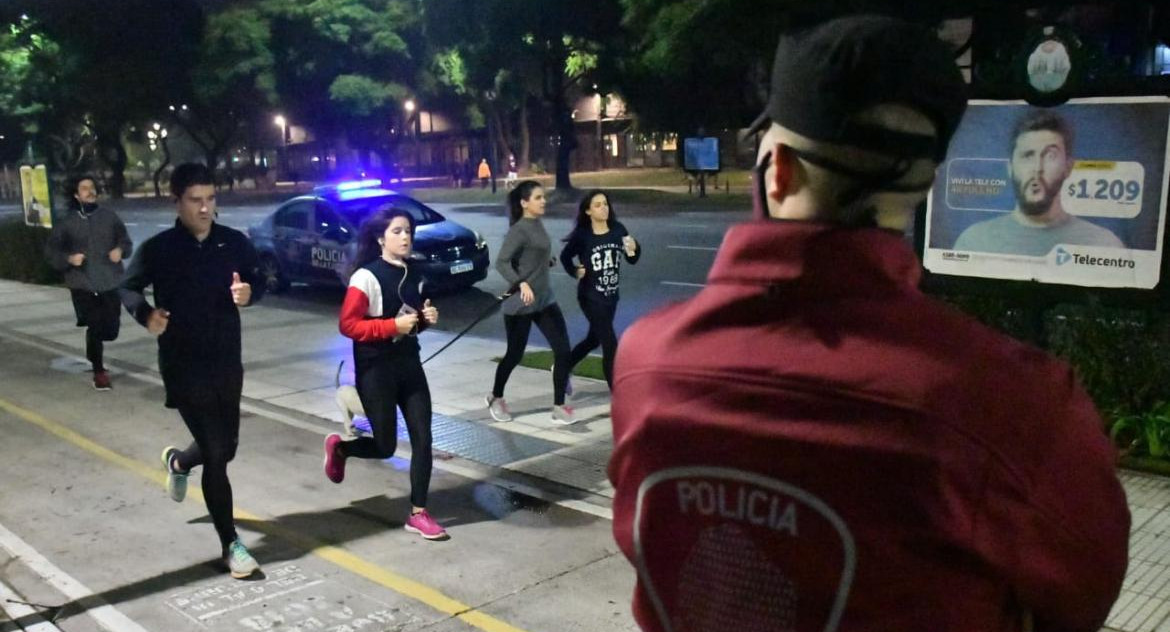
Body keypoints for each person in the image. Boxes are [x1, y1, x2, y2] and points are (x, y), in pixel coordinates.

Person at [609, 15, 1129, 632]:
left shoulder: (646, 363)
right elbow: (1081, 597)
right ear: (924, 184)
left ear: (775, 171)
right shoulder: (1016, 407)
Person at [120, 163, 265, 579]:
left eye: (211, 199)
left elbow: (260, 280)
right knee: (218, 453)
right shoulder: (160, 248)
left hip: (225, 360)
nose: (205, 209)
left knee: (227, 446)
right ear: (177, 202)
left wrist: (249, 293)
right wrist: (145, 313)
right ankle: (231, 544)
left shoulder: (233, 243)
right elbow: (127, 287)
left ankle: (180, 463)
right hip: (182, 364)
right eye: (195, 200)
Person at [324, 208, 447, 540]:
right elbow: (348, 325)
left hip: (409, 364)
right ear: (381, 238)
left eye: (408, 231)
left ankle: (418, 512)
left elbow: (410, 323)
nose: (405, 237)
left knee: (424, 439)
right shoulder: (365, 277)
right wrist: (393, 325)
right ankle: (341, 449)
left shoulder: (413, 272)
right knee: (385, 446)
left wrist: (423, 320)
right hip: (375, 369)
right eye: (397, 231)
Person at [953, 109, 1124, 255]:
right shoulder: (973, 242)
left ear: (1068, 167)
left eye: (1050, 156)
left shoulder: (1105, 245)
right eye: (1028, 155)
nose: (1037, 168)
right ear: (1010, 167)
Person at [486, 180, 576, 424]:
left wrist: (546, 261)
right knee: (514, 355)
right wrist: (521, 283)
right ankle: (495, 397)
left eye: (543, 197)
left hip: (544, 299)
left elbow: (531, 255)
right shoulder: (519, 230)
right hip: (521, 303)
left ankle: (559, 406)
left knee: (563, 351)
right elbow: (502, 262)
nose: (543, 201)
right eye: (538, 198)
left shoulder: (537, 223)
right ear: (524, 203)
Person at [45, 175, 132, 391]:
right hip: (81, 283)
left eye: (92, 187)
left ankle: (93, 350)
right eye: (84, 188)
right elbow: (51, 251)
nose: (90, 191)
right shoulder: (67, 223)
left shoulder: (109, 217)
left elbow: (126, 241)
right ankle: (99, 371)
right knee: (94, 325)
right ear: (76, 195)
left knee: (111, 330)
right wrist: (69, 259)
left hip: (110, 280)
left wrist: (120, 250)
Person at [558, 190, 640, 390]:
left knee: (593, 339)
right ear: (588, 211)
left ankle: (563, 367)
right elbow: (565, 257)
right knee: (610, 344)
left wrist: (633, 249)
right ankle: (618, 395)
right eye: (597, 205)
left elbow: (632, 258)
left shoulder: (618, 230)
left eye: (605, 203)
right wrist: (575, 270)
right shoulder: (583, 236)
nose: (604, 208)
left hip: (611, 296)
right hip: (589, 296)